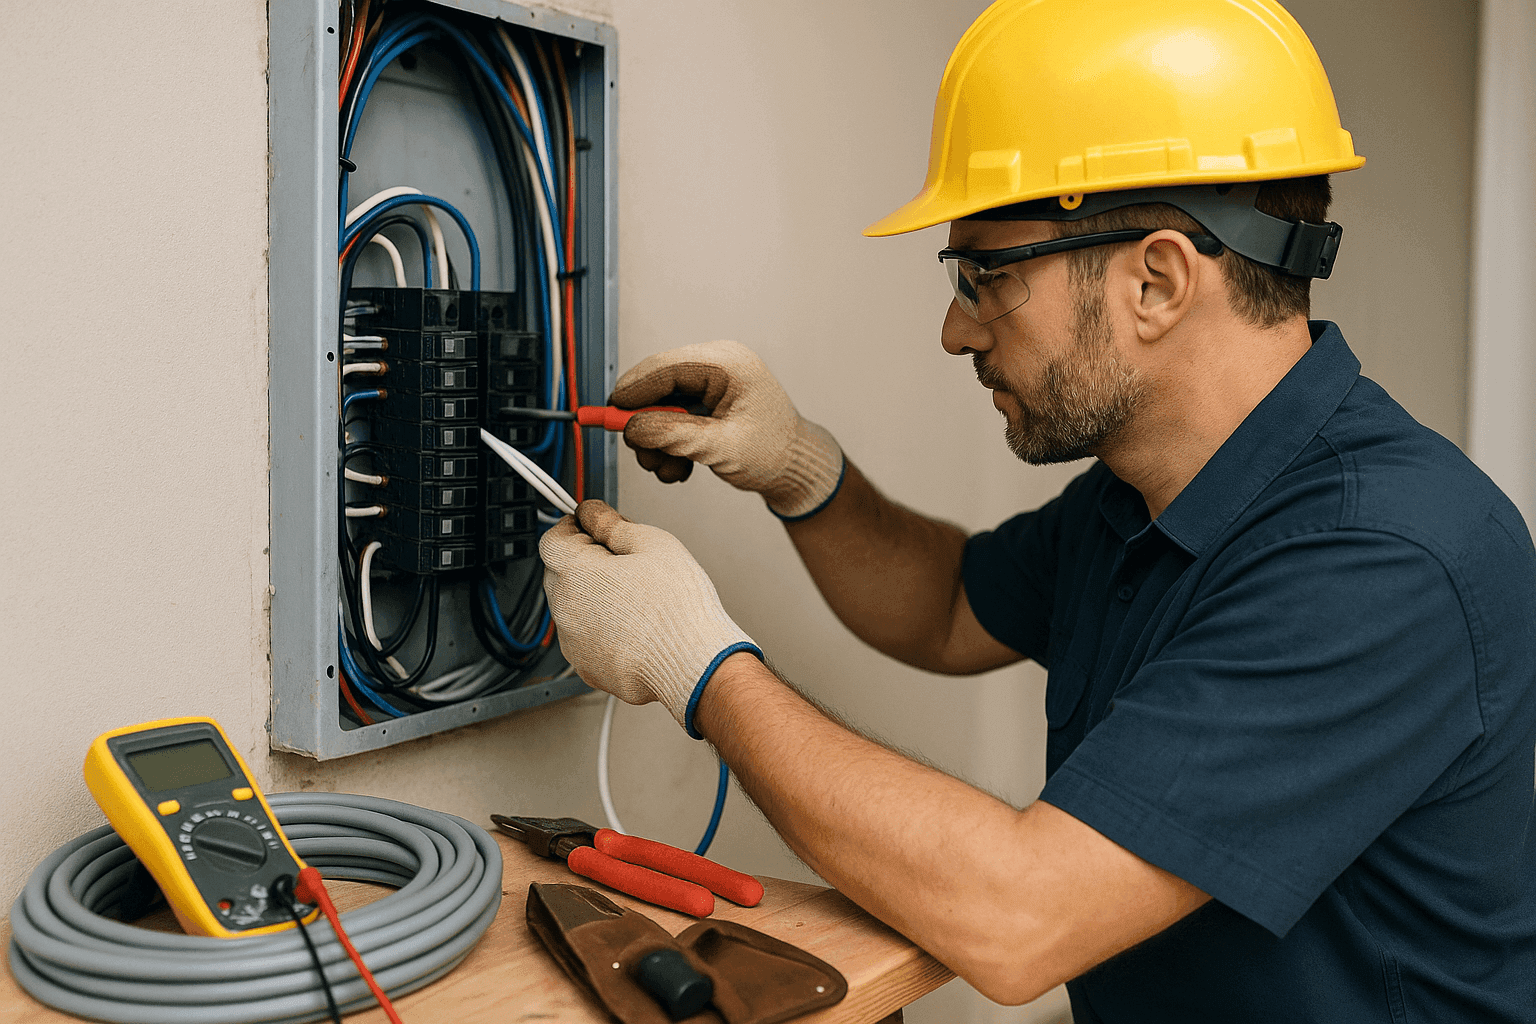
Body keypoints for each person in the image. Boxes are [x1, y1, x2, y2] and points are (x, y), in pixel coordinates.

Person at [538, 0, 1536, 1019]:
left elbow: (1018, 920)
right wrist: (800, 469)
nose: (954, 330)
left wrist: (694, 663)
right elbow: (946, 607)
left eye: (986, 276)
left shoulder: (1383, 561)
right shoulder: (1148, 489)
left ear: (1156, 279)